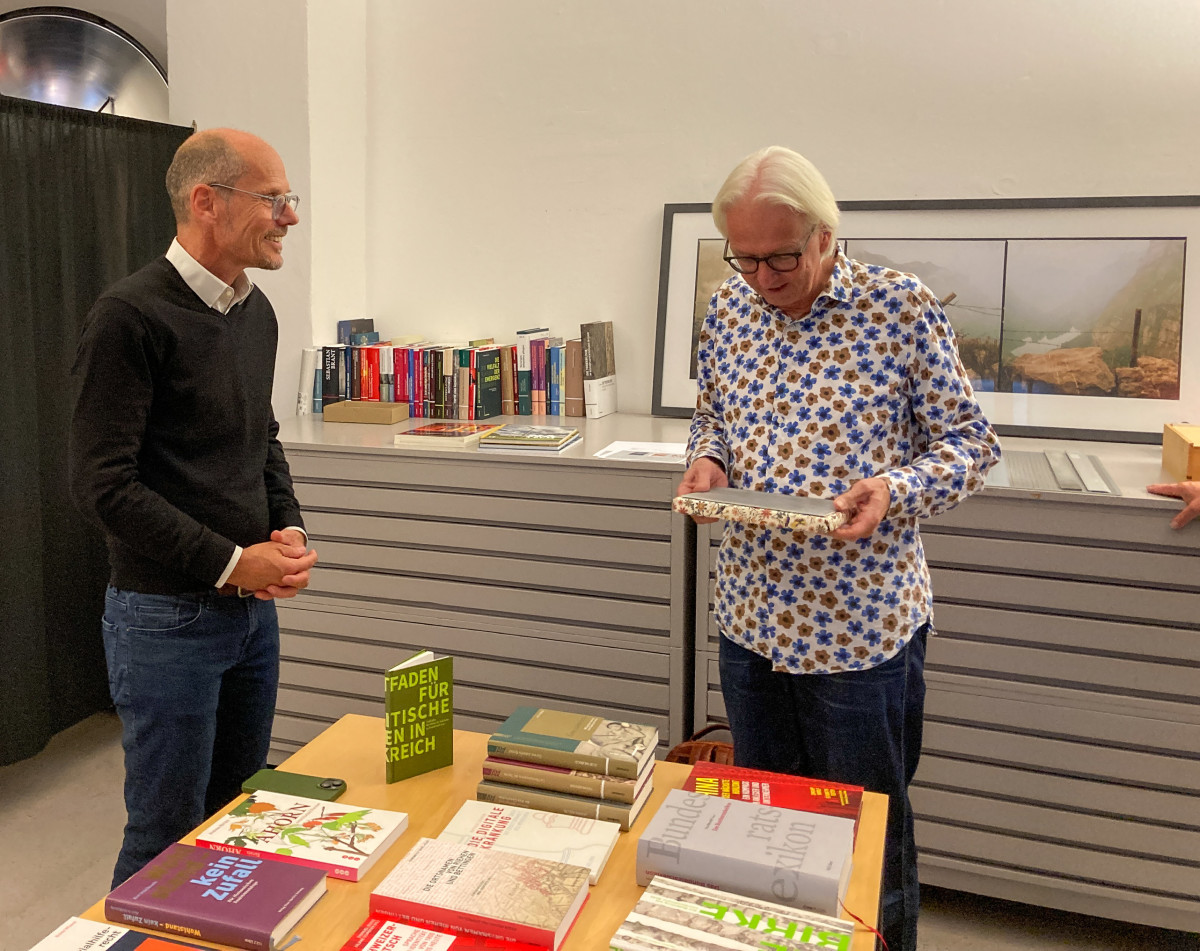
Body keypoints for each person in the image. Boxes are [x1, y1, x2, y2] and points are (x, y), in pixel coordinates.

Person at [676, 146, 1000, 951]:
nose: (762, 277)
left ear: (825, 234)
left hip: (859, 632)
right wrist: (709, 457)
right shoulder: (728, 311)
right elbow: (711, 413)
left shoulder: (898, 307)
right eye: (743, 257)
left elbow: (973, 442)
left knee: (865, 836)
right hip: (751, 622)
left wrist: (895, 488)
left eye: (780, 256)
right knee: (769, 823)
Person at [68, 128, 319, 887]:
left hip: (249, 619)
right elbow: (101, 484)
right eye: (273, 198)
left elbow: (260, 438)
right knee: (164, 841)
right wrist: (236, 562)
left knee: (239, 819)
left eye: (288, 199)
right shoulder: (129, 316)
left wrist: (289, 525)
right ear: (205, 201)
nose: (290, 216)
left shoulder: (258, 313)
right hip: (165, 620)